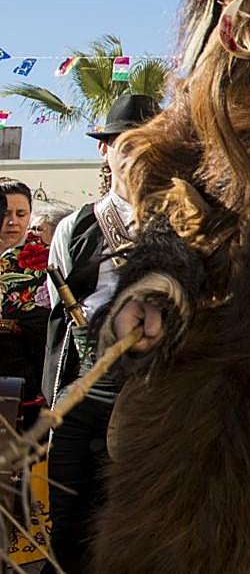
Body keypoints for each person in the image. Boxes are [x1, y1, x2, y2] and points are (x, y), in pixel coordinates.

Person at [42, 93, 159, 574]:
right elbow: (56, 316)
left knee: (144, 527)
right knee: (68, 524)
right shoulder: (73, 227)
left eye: (146, 145)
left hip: (154, 394)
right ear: (104, 151)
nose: (135, 155)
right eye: (124, 144)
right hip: (83, 392)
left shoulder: (182, 222)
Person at [0, 177, 49, 431]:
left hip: (25, 386)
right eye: (6, 213)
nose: (13, 221)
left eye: (21, 213)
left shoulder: (44, 262)